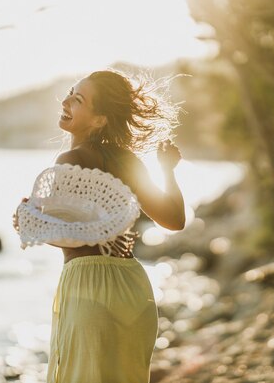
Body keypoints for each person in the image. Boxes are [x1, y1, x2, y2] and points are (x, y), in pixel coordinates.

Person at [12, 69, 186, 383]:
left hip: (88, 287)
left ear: (99, 120)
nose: (65, 101)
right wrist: (168, 171)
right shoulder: (129, 161)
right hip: (133, 288)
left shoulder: (69, 160)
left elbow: (72, 239)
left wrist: (26, 222)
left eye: (78, 99)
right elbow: (174, 220)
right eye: (70, 92)